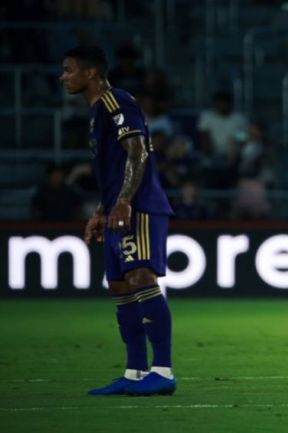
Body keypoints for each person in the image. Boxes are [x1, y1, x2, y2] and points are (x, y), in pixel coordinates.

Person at [59, 46, 176, 396]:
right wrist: (101, 209)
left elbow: (137, 151)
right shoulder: (97, 112)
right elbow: (113, 170)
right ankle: (135, 372)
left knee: (141, 276)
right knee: (119, 287)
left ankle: (163, 370)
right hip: (115, 210)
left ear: (90, 73)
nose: (63, 76)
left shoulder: (116, 101)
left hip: (138, 207)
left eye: (68, 70)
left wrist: (124, 200)